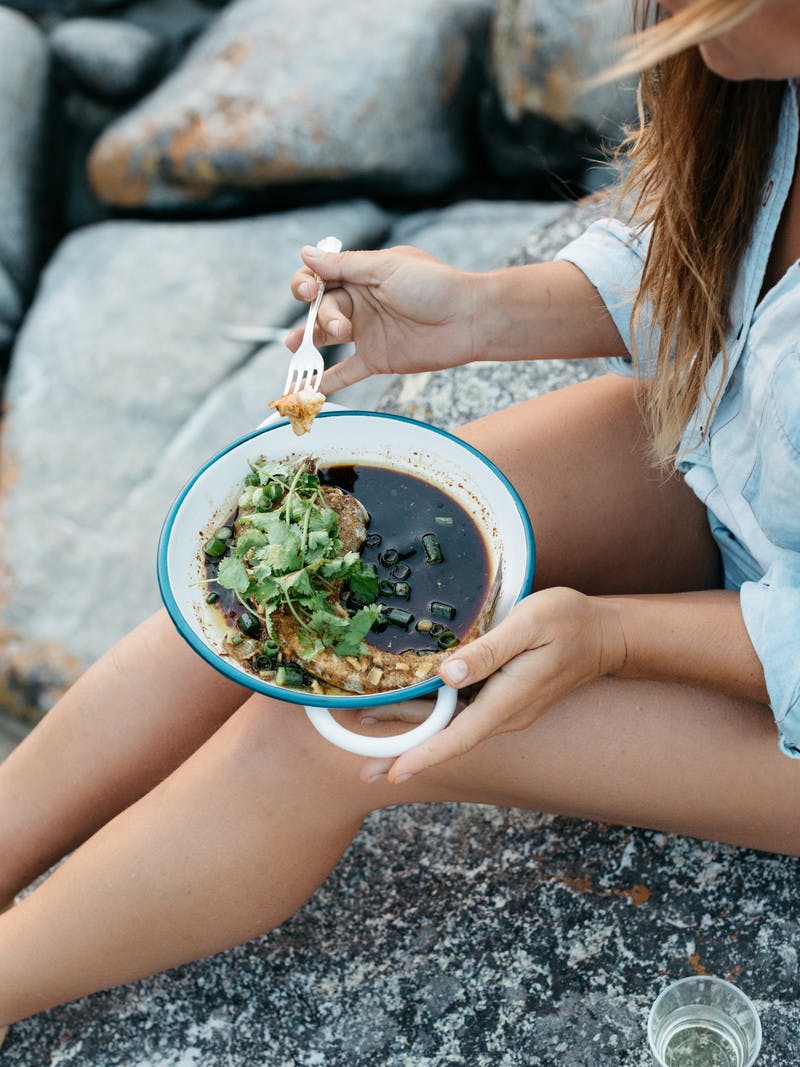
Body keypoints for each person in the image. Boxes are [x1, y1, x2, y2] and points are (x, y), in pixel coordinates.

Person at [1, 0, 799, 1044]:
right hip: (749, 495)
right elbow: (717, 266)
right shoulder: (764, 77)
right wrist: (476, 312)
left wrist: (615, 634)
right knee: (286, 554)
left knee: (350, 717)